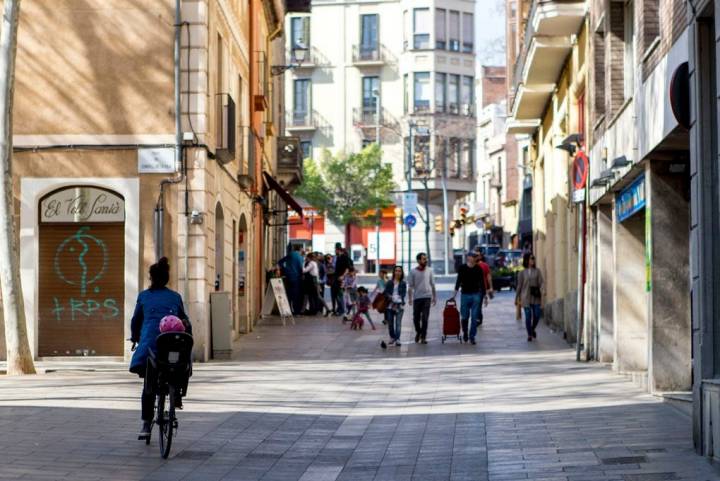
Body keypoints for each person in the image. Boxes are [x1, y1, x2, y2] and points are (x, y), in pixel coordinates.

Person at [129, 257, 192, 439]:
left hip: (151, 345)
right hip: (175, 344)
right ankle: (177, 395)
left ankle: (146, 424)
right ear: (166, 279)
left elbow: (136, 321)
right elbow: (185, 321)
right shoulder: (175, 297)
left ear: (151, 278)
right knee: (180, 363)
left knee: (149, 382)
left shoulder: (144, 296)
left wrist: (135, 337)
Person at [452, 251, 487, 345]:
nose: (475, 258)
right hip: (465, 295)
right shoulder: (462, 268)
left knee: (475, 317)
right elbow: (458, 281)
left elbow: (482, 283)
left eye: (476, 257)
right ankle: (465, 333)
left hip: (476, 295)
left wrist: (485, 296)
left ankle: (472, 336)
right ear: (468, 257)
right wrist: (454, 294)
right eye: (474, 256)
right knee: (465, 316)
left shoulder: (479, 268)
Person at [407, 252, 436, 344]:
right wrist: (410, 298)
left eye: (426, 258)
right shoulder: (412, 272)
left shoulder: (430, 270)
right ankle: (418, 332)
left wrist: (434, 297)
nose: (426, 260)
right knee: (416, 318)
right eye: (424, 259)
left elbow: (433, 285)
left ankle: (423, 337)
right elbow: (410, 286)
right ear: (418, 260)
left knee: (425, 318)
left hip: (427, 297)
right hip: (417, 298)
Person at [516, 253, 544, 341]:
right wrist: (516, 298)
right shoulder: (521, 273)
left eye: (533, 258)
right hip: (525, 297)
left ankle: (532, 329)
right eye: (531, 258)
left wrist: (543, 289)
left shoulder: (537, 271)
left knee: (537, 315)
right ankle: (529, 334)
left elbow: (541, 282)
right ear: (527, 260)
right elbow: (519, 286)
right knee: (528, 316)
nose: (533, 260)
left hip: (535, 297)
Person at [381, 265, 407, 347]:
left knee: (398, 323)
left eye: (399, 271)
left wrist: (399, 299)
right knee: (391, 323)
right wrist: (390, 297)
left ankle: (398, 339)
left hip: (399, 305)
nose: (398, 272)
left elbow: (403, 294)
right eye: (396, 271)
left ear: (402, 273)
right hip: (390, 305)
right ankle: (392, 337)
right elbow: (385, 292)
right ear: (394, 272)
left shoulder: (403, 283)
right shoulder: (389, 282)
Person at [278, 244, 304, 315]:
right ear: (300, 248)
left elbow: (280, 262)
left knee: (288, 294)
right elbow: (301, 268)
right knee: (296, 295)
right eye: (302, 249)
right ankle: (296, 311)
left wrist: (284, 269)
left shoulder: (290, 254)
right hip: (297, 278)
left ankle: (288, 311)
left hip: (288, 277)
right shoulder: (300, 257)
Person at [332, 243, 352, 316]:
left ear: (338, 250)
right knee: (337, 294)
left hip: (342, 278)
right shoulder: (338, 257)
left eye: (335, 249)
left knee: (341, 294)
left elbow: (347, 268)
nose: (335, 251)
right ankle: (342, 308)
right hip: (337, 278)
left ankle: (344, 309)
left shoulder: (344, 257)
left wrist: (343, 276)